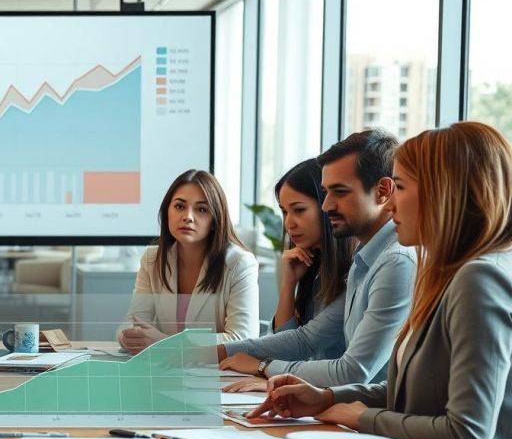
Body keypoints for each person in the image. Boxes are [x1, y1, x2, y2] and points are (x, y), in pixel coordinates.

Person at [247, 121, 512, 439]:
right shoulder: (446, 272)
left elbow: (466, 437)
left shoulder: (479, 278)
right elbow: (415, 393)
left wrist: (362, 417)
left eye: (401, 187)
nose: (390, 205)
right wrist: (326, 398)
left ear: (445, 193)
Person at [218, 129, 415, 388]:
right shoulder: (364, 258)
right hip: (341, 407)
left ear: (383, 191)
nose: (326, 205)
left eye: (339, 192)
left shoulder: (396, 261)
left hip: (360, 416)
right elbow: (302, 342)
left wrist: (265, 367)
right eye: (326, 192)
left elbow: (352, 371)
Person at [224, 159, 354, 393]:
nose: (288, 223)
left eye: (299, 210)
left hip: (339, 397)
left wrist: (262, 366)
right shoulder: (316, 266)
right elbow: (289, 342)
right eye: (284, 212)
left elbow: (304, 343)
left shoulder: (352, 272)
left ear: (326, 207)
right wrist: (289, 283)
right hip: (315, 391)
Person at [118, 169, 259, 354]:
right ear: (167, 211)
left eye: (201, 209)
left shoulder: (239, 263)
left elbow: (242, 339)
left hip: (218, 373)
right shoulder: (152, 259)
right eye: (179, 206)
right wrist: (127, 335)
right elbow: (135, 320)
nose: (188, 217)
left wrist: (164, 342)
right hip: (166, 370)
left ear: (215, 219)